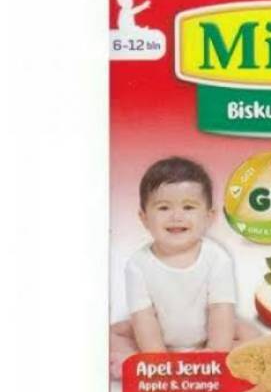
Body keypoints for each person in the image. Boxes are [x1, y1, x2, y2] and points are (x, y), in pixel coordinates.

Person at [110, 157, 260, 378]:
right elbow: (144, 317)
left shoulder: (217, 257)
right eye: (163, 208)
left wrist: (215, 352)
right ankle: (137, 361)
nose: (176, 216)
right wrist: (157, 359)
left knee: (250, 334)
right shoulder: (138, 264)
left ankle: (211, 359)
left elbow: (221, 309)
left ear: (209, 217)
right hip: (156, 341)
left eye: (188, 207)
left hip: (207, 337)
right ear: (144, 218)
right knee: (110, 335)